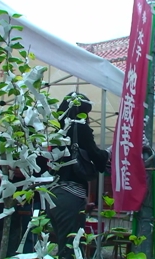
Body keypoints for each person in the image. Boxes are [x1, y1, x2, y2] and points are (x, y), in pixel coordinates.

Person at [46, 92, 110, 259]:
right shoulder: (79, 128)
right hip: (70, 194)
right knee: (72, 248)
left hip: (53, 195)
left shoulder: (57, 129)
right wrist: (108, 154)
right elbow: (95, 155)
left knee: (63, 244)